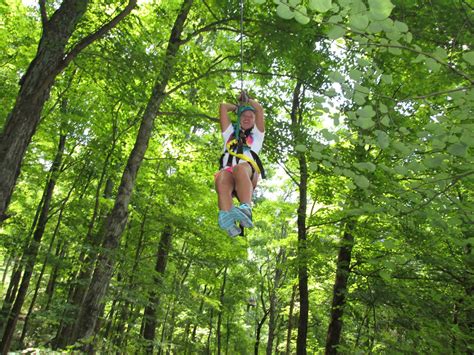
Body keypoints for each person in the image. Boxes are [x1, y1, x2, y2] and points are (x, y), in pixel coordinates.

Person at [215, 95, 265, 237]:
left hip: (247, 171)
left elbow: (259, 110)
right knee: (222, 176)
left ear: (255, 121)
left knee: (239, 168)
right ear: (239, 117)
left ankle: (246, 208)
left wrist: (247, 99)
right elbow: (223, 107)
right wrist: (237, 107)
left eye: (251, 116)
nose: (247, 118)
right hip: (229, 172)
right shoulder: (230, 133)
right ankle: (228, 220)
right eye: (244, 115)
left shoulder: (257, 134)